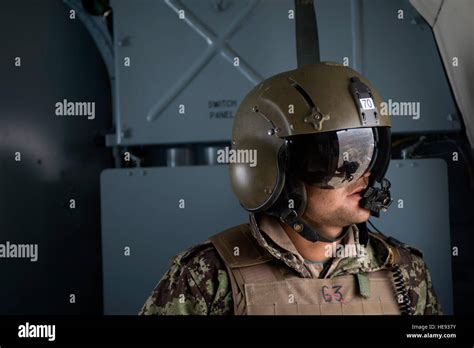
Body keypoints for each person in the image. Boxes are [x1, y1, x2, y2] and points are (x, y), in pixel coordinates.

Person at [139, 62, 442, 315]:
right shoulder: (206, 276)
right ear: (272, 170)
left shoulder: (405, 270)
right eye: (338, 160)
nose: (364, 175)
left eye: (371, 154)